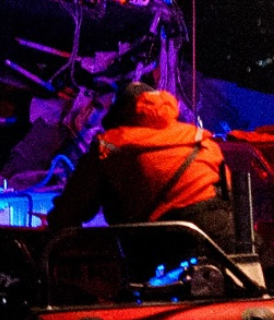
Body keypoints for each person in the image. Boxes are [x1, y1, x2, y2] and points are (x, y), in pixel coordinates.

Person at [46, 83, 234, 252]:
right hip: (225, 240)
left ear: (119, 114)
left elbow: (71, 210)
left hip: (166, 251)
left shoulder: (109, 146)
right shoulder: (200, 138)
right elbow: (229, 196)